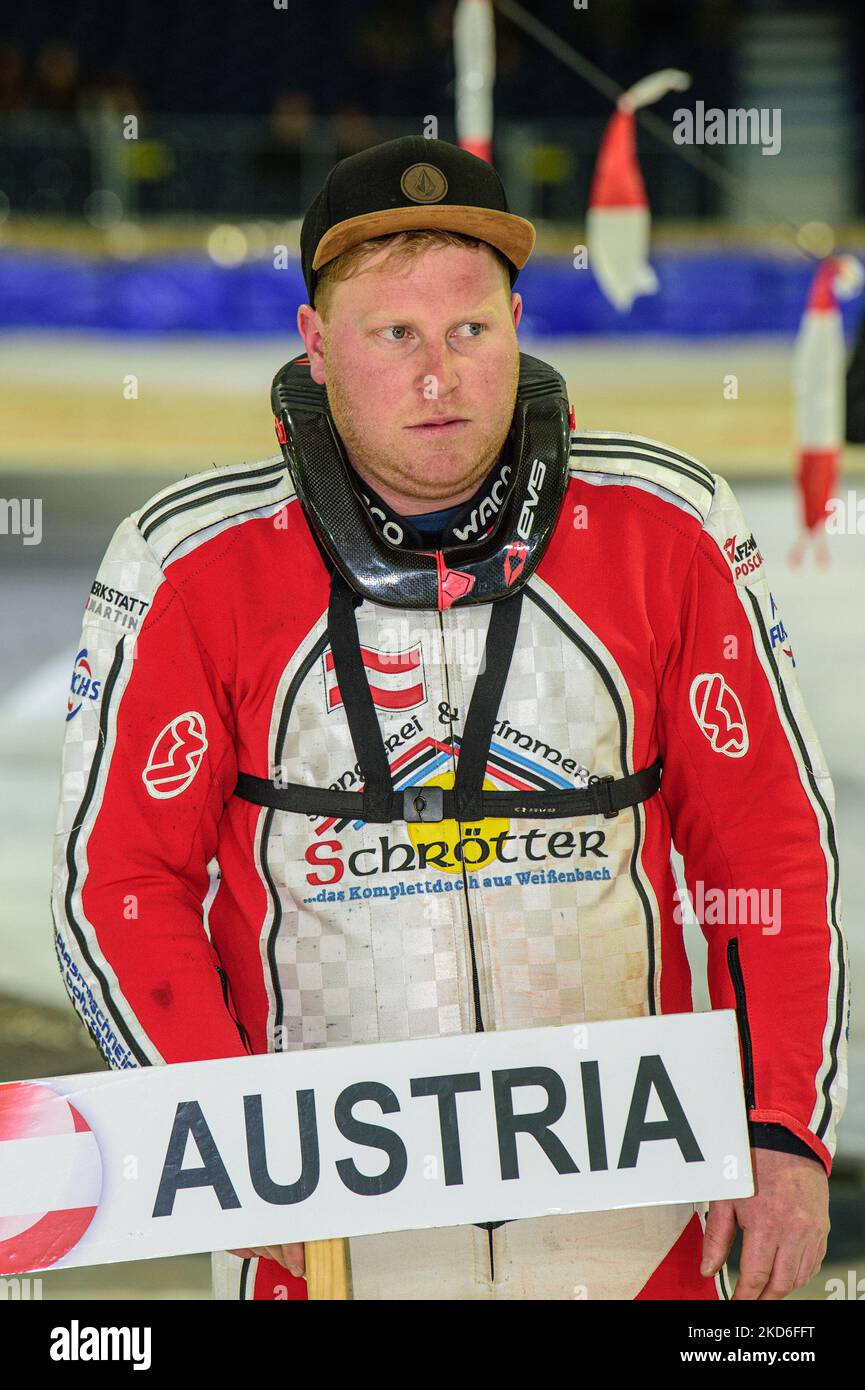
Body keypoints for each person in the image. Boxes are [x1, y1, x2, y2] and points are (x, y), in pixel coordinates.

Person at [52, 135, 847, 1301]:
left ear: (518, 324)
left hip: (640, 1230)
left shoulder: (665, 526)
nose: (440, 375)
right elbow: (115, 887)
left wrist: (780, 1122)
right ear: (316, 348)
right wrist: (229, 1138)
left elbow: (767, 845)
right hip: (322, 1241)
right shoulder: (188, 562)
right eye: (395, 336)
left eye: (469, 330)